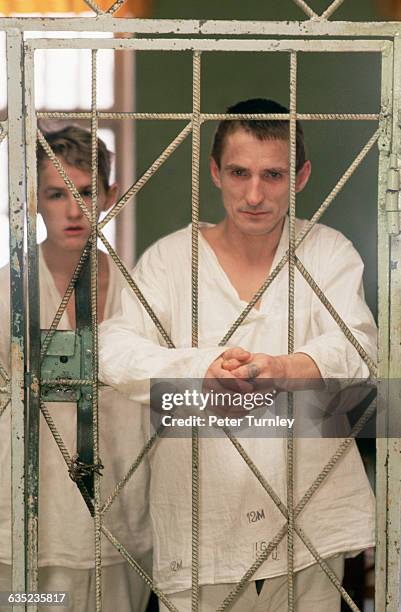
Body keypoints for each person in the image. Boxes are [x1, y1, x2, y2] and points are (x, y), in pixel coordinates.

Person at [99, 98, 377, 611]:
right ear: (214, 173)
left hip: (309, 519)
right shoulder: (169, 259)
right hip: (202, 520)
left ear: (301, 176)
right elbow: (113, 348)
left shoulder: (328, 251)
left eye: (273, 175)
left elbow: (358, 346)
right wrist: (197, 368)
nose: (254, 194)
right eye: (239, 173)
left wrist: (284, 368)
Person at [0, 126, 151, 612]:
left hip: (121, 515)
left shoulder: (139, 291)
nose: (72, 208)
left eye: (85, 192)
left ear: (108, 195)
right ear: (35, 201)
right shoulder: (9, 290)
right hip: (27, 522)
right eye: (56, 193)